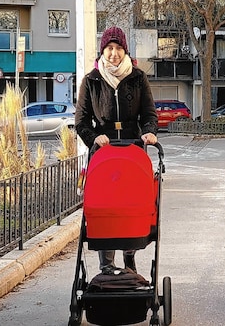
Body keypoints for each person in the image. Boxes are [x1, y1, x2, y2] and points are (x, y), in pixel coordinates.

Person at [75, 26, 158, 275]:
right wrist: (94, 137)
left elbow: (149, 114)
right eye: (109, 49)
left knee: (131, 204)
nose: (113, 53)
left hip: (133, 150)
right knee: (105, 205)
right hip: (104, 152)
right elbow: (80, 120)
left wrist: (149, 131)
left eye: (118, 49)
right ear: (103, 51)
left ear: (124, 51)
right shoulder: (92, 80)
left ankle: (130, 257)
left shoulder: (137, 77)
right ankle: (107, 265)